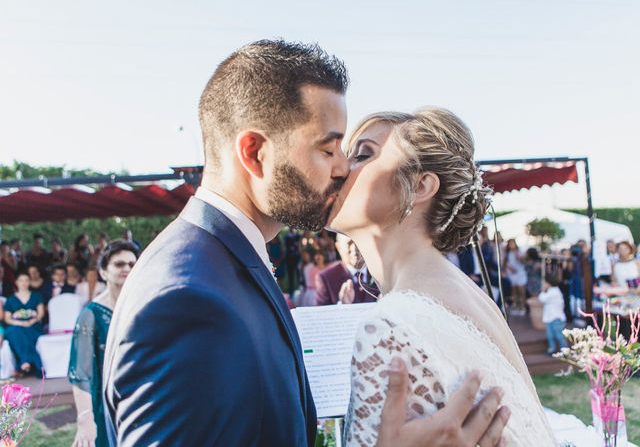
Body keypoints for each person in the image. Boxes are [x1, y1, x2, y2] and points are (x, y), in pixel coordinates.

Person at [103, 40, 508, 447]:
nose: (341, 168)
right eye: (327, 148)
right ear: (255, 153)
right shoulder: (188, 298)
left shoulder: (226, 264)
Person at [327, 108, 553, 445]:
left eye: (363, 154)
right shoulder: (466, 293)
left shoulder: (389, 326)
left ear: (420, 186)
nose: (341, 169)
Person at [69, 240, 138, 447]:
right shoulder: (90, 315)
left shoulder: (142, 308)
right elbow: (81, 373)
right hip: (107, 406)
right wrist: (85, 419)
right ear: (103, 272)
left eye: (132, 264)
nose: (126, 268)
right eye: (119, 264)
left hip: (140, 400)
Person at [317, 234, 379, 305]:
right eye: (348, 244)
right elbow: (322, 313)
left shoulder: (381, 273)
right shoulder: (327, 278)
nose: (355, 250)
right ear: (338, 247)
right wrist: (342, 305)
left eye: (359, 242)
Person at [4, 271, 45, 376]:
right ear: (16, 282)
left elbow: (41, 313)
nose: (24, 283)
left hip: (33, 324)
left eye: (26, 280)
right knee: (16, 331)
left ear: (29, 282)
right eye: (21, 280)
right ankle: (30, 362)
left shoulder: (36, 296)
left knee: (24, 333)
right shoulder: (11, 299)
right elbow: (7, 318)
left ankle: (24, 363)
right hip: (17, 325)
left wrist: (31, 321)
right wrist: (19, 323)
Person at [538, 270, 568, 356]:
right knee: (550, 335)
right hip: (550, 317)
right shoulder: (553, 290)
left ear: (548, 283)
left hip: (556, 318)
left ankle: (565, 350)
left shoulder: (553, 292)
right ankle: (552, 349)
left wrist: (543, 290)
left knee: (559, 335)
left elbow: (542, 298)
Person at [504, 239, 527, 314]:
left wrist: (519, 257)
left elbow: (524, 262)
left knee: (521, 291)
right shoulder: (508, 253)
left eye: (512, 243)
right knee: (514, 291)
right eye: (510, 244)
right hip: (512, 274)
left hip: (520, 273)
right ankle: (516, 306)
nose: (511, 245)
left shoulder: (519, 251)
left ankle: (522, 307)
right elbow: (505, 263)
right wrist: (509, 268)